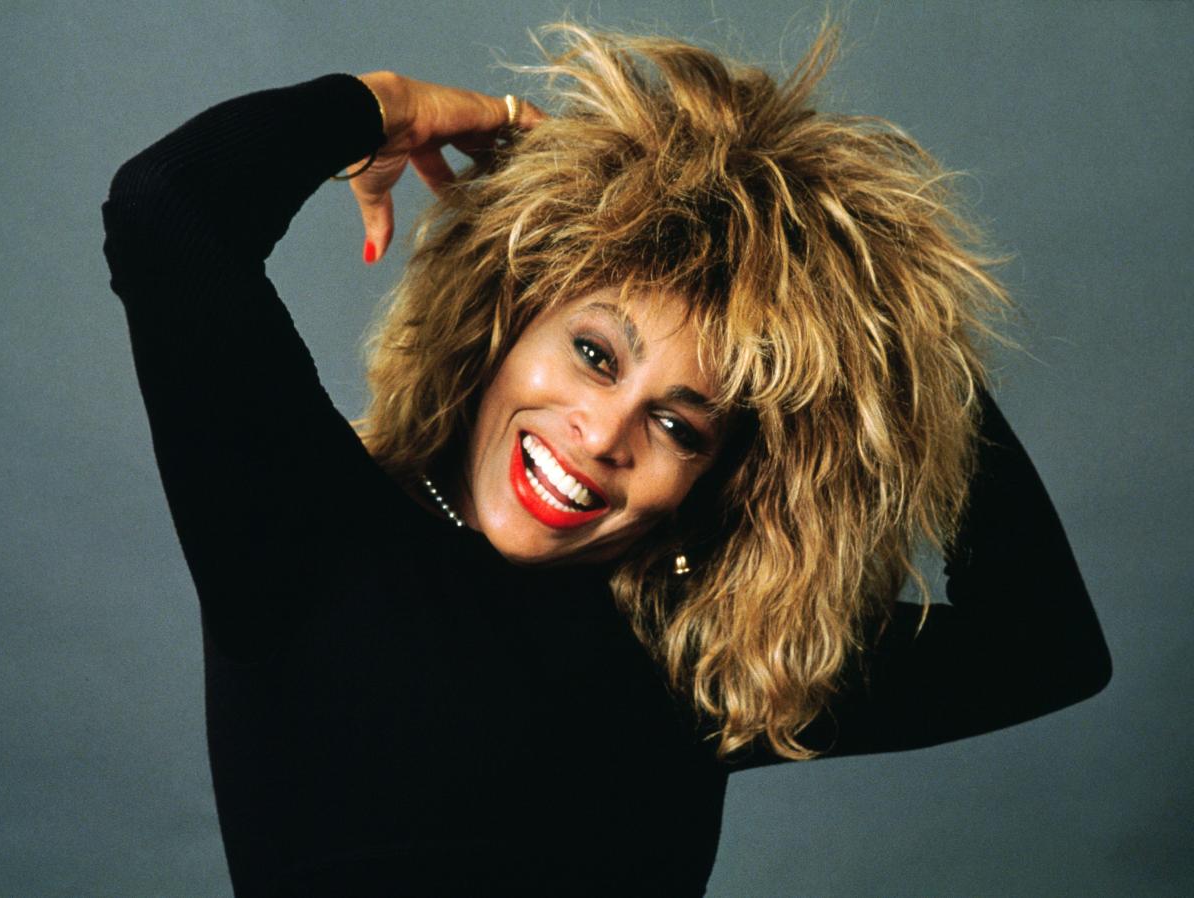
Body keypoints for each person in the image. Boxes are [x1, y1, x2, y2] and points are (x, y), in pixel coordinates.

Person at [101, 23, 1111, 898]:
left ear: (716, 480)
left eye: (680, 426)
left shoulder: (705, 664)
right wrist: (384, 107)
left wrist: (893, 338)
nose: (601, 433)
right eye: (594, 355)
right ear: (504, 318)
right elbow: (166, 210)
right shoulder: (303, 537)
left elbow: (1043, 649)